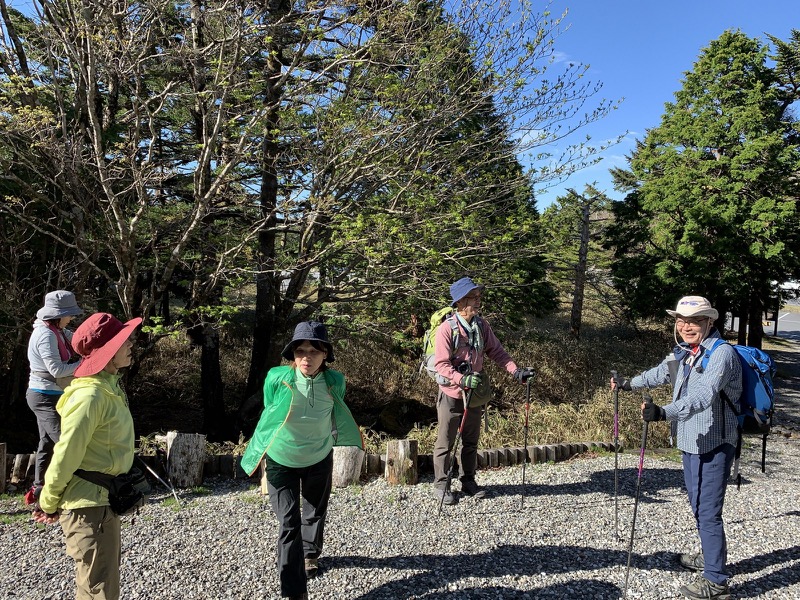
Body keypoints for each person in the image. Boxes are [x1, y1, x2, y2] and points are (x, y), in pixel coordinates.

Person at [612, 295, 742, 600]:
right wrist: (629, 383)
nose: (687, 326)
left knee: (707, 511)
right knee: (698, 505)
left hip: (714, 441)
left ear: (710, 322)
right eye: (682, 321)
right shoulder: (686, 350)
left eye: (695, 321)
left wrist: (662, 412)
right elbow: (661, 372)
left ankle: (716, 580)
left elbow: (702, 396)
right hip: (690, 440)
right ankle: (710, 558)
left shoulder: (720, 355)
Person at [240, 321, 364, 600]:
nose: (306, 357)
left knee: (314, 512)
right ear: (292, 354)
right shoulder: (276, 377)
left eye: (313, 351)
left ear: (325, 355)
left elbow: (336, 408)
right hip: (280, 460)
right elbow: (271, 408)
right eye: (300, 351)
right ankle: (294, 592)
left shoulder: (335, 381)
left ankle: (310, 554)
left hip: (319, 457)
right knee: (288, 522)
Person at [32, 312, 143, 600]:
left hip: (101, 503)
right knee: (99, 591)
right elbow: (66, 454)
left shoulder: (108, 388)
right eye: (123, 340)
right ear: (107, 352)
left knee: (100, 587)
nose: (131, 343)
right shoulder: (90, 396)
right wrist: (48, 501)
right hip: (88, 507)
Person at [432, 276, 534, 505]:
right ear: (459, 302)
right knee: (445, 442)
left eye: (479, 297)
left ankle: (468, 480)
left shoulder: (481, 326)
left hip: (474, 394)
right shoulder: (446, 330)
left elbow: (497, 352)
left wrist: (516, 371)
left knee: (470, 440)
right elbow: (441, 364)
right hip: (451, 394)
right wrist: (462, 379)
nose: (478, 302)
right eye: (473, 297)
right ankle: (441, 484)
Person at [25, 290, 84, 504]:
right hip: (42, 396)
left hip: (54, 395)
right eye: (69, 314)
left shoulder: (58, 331)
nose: (71, 318)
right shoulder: (45, 334)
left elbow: (78, 342)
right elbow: (58, 370)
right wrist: (86, 365)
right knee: (64, 441)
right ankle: (71, 486)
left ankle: (39, 488)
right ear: (58, 315)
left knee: (47, 443)